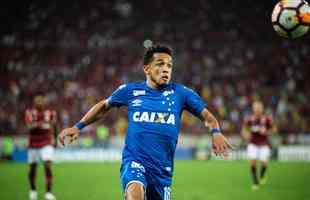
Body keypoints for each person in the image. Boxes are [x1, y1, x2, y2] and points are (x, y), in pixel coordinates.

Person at [58, 44, 233, 200]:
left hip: (162, 172)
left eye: (169, 66)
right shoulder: (130, 91)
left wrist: (216, 133)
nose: (166, 69)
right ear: (147, 69)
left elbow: (208, 117)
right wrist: (78, 126)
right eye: (160, 64)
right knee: (135, 192)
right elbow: (104, 106)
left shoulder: (182, 94)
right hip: (134, 161)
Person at [25, 93, 57, 200]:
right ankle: (33, 190)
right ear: (34, 102)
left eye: (41, 100)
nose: (39, 102)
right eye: (37, 101)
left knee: (48, 165)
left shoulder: (51, 113)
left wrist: (56, 139)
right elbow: (29, 127)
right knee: (33, 169)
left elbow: (54, 126)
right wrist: (43, 125)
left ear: (44, 102)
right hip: (33, 143)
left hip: (46, 143)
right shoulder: (29, 113)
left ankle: (48, 192)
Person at [241, 101, 273, 191]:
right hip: (253, 144)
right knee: (253, 162)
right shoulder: (249, 119)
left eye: (259, 108)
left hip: (264, 144)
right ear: (253, 109)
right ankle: (255, 182)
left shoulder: (267, 119)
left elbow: (274, 129)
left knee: (264, 163)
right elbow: (244, 129)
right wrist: (245, 135)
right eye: (256, 108)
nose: (258, 110)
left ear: (262, 109)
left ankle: (262, 175)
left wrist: (266, 132)